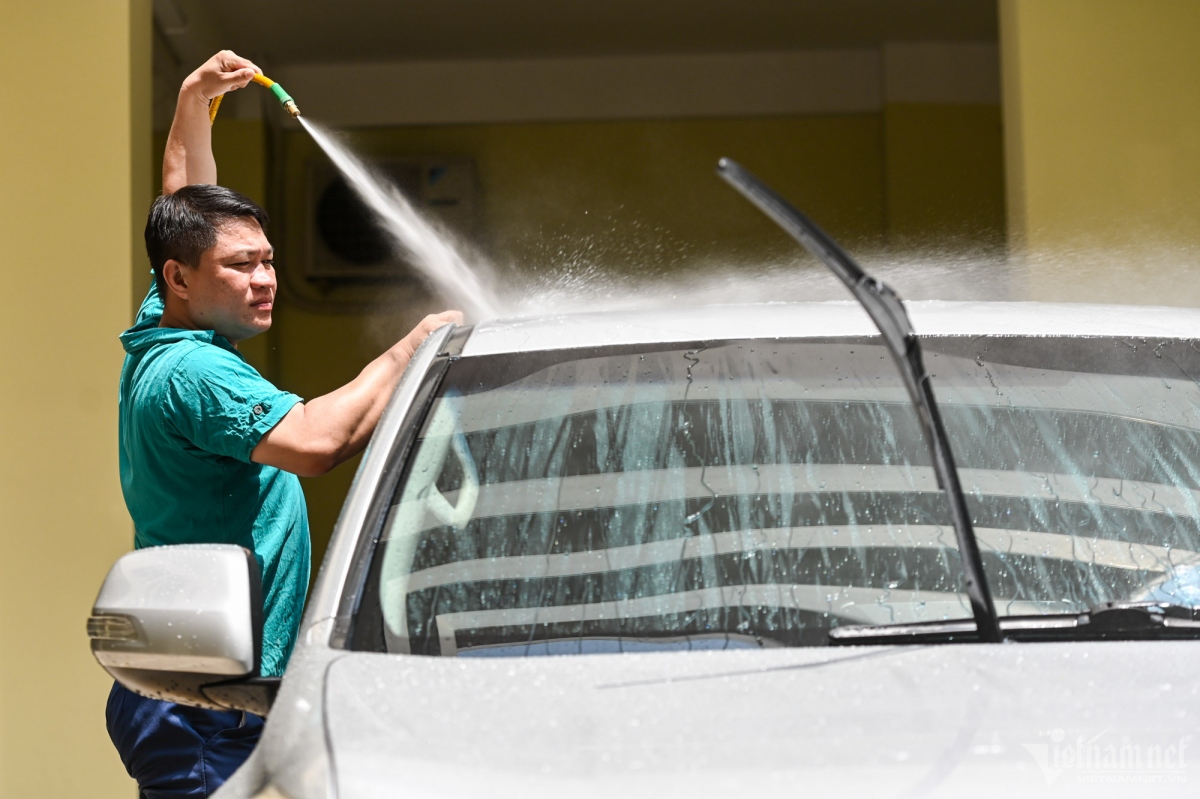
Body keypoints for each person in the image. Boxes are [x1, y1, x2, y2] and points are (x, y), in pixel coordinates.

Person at [106, 50, 463, 797]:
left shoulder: (167, 324)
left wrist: (194, 96)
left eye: (268, 260)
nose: (265, 278)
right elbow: (315, 443)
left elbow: (183, 198)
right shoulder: (196, 372)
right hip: (203, 708)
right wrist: (412, 348)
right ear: (180, 277)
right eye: (243, 265)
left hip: (209, 690)